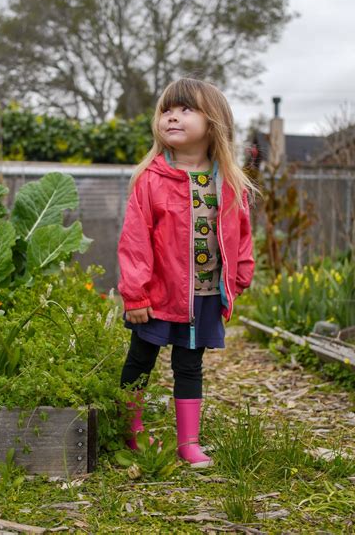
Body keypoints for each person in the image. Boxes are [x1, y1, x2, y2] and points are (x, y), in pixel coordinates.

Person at [117, 77, 259, 467]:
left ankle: (188, 443)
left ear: (213, 122)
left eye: (185, 110)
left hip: (205, 294)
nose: (172, 117)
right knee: (141, 358)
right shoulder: (151, 179)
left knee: (189, 364)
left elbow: (241, 233)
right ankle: (129, 429)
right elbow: (134, 240)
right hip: (157, 294)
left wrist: (241, 275)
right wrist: (135, 293)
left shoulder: (229, 182)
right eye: (167, 110)